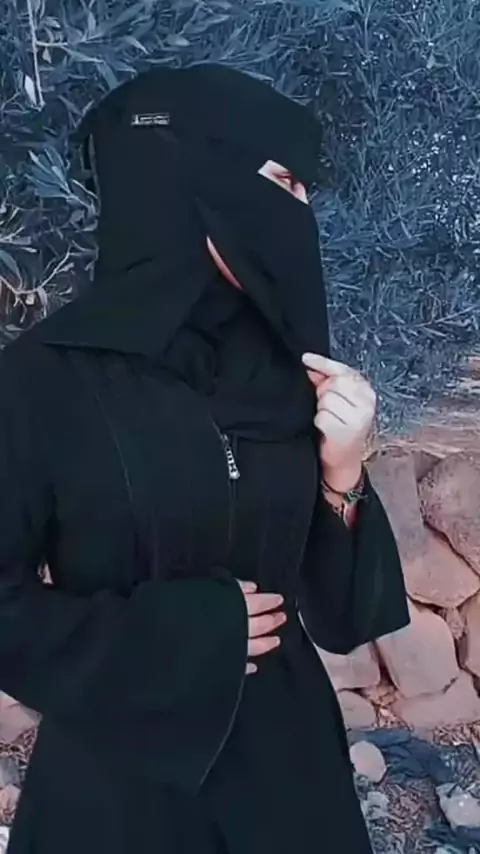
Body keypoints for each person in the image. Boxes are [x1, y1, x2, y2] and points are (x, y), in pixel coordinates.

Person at [1, 64, 409, 854]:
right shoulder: (42, 380)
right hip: (118, 784)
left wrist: (343, 474)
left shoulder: (288, 371)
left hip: (290, 778)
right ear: (186, 184)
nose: (298, 213)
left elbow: (345, 619)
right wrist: (182, 634)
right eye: (282, 182)